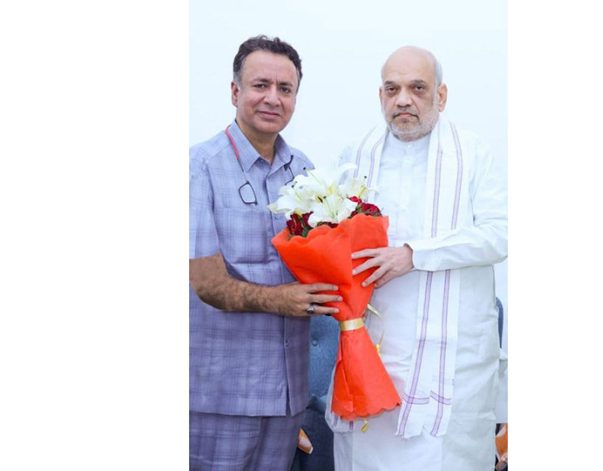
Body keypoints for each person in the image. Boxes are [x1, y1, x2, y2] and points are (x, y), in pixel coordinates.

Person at [326, 46, 507, 470]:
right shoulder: (355, 157)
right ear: (380, 96)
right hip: (374, 352)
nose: (403, 99)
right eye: (392, 89)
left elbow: (500, 234)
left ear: (441, 96)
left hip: (454, 363)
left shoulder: (474, 154)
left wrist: (415, 254)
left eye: (417, 88)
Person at [189, 35, 342, 470]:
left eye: (285, 89)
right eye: (260, 85)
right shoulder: (197, 168)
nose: (272, 98)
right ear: (235, 91)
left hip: (287, 396)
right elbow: (205, 282)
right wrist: (283, 299)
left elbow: (324, 258)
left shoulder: (306, 172)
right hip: (218, 393)